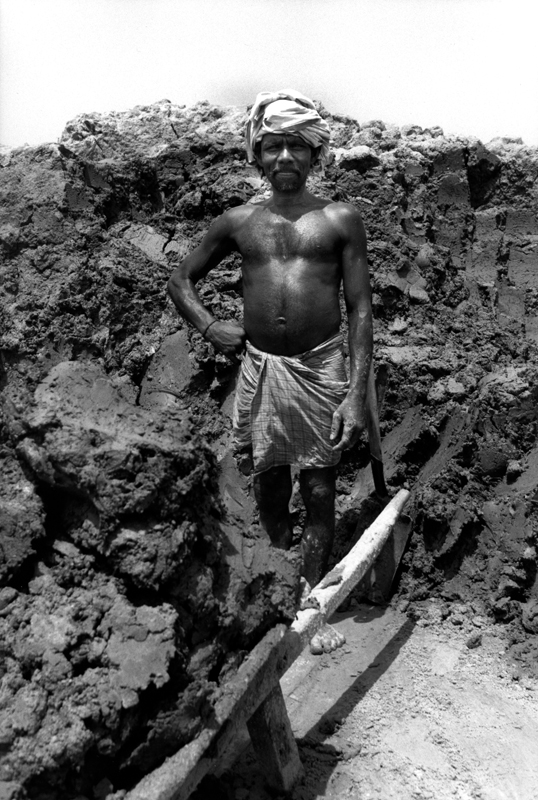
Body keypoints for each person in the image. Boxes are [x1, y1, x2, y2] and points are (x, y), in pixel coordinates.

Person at [167, 90, 373, 654]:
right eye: (274, 145)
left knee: (320, 483)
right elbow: (180, 278)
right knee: (269, 482)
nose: (284, 156)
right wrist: (210, 327)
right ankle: (282, 586)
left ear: (314, 155)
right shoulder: (237, 223)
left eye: (296, 147)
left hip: (320, 366)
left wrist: (356, 394)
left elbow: (359, 308)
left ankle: (311, 604)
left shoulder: (339, 220)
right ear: (258, 156)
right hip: (262, 368)